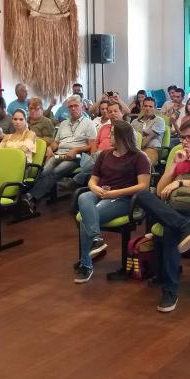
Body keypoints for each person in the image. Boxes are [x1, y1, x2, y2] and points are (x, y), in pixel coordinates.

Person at [134, 119, 190, 313]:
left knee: (170, 232)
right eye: (182, 138)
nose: (184, 141)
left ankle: (170, 291)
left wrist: (180, 183)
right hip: (176, 210)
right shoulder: (181, 158)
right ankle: (185, 227)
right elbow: (160, 191)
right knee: (141, 195)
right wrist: (174, 165)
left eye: (189, 138)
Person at [74, 120, 152, 283]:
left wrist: (114, 193)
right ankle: (97, 239)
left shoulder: (139, 157)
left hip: (124, 198)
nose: (108, 136)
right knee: (83, 197)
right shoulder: (105, 154)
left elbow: (143, 186)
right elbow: (93, 180)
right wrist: (95, 189)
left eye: (112, 134)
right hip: (102, 192)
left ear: (122, 137)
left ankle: (86, 264)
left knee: (86, 218)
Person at [23, 95, 97, 214]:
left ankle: (30, 197)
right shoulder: (63, 124)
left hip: (77, 156)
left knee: (57, 171)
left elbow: (92, 146)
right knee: (44, 171)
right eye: (70, 106)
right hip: (60, 154)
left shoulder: (89, 123)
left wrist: (76, 150)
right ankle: (30, 197)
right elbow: (55, 143)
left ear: (82, 107)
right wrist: (50, 148)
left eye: (76, 106)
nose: (73, 108)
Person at [75, 101, 124, 186]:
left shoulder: (126, 129)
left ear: (122, 113)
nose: (112, 114)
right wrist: (94, 155)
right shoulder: (104, 127)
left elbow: (126, 150)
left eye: (115, 111)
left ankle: (75, 181)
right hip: (98, 157)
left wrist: (101, 155)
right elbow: (95, 144)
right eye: (110, 112)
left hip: (113, 158)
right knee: (83, 160)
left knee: (88, 167)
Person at [131, 97, 166, 164]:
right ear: (142, 107)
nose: (147, 108)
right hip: (135, 149)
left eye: (150, 106)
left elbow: (149, 137)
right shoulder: (134, 122)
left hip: (151, 149)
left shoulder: (159, 121)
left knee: (143, 163)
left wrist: (138, 147)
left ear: (155, 108)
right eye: (145, 106)